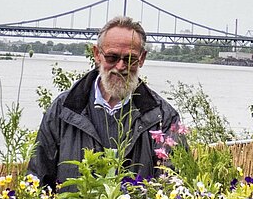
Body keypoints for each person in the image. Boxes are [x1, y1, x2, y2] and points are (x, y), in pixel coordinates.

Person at [28, 16, 181, 189]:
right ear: (97, 55)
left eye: (130, 59)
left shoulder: (164, 117)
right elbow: (38, 178)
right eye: (112, 57)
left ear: (142, 59)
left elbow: (172, 186)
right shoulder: (63, 109)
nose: (120, 66)